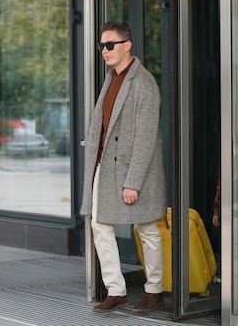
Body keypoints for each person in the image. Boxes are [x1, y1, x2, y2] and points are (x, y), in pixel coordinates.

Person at [79, 21, 167, 313]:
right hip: (106, 164)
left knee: (147, 228)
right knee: (99, 224)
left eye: (110, 45)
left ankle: (155, 290)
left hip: (132, 169)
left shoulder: (143, 83)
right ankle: (116, 290)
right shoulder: (111, 78)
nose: (104, 50)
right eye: (101, 45)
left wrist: (134, 182)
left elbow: (145, 138)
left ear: (127, 45)